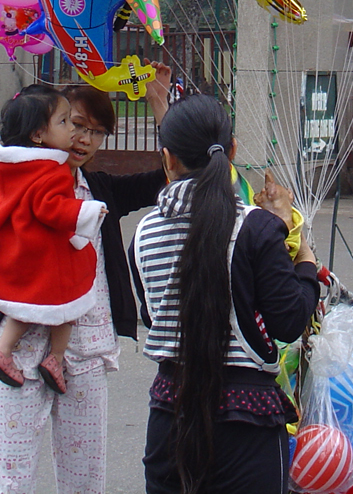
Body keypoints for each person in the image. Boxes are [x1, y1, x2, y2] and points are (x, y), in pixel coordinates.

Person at [0, 66, 172, 494]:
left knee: (85, 475)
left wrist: (160, 106)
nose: (83, 139)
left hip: (86, 349)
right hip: (21, 350)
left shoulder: (101, 190)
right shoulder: (11, 187)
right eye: (76, 125)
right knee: (10, 473)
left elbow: (169, 175)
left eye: (97, 132)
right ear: (45, 129)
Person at [130, 94, 320, 494]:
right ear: (231, 151)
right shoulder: (257, 228)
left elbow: (154, 318)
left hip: (169, 413)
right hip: (245, 421)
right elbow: (289, 321)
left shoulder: (143, 233)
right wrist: (303, 259)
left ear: (168, 159)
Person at [0, 88, 104, 394]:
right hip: (42, 253)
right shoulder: (51, 169)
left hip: (15, 247)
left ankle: (3, 351)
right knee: (68, 301)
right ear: (37, 135)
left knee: (22, 307)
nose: (73, 130)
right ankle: (55, 359)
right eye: (64, 122)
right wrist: (85, 213)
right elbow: (49, 207)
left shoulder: (8, 163)